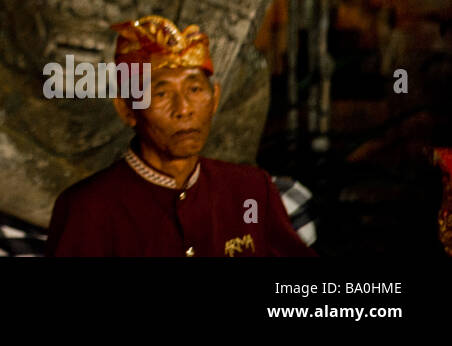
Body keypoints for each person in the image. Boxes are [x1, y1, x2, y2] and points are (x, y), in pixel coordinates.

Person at [46, 15, 315, 257]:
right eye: (161, 93)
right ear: (127, 109)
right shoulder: (88, 209)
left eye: (195, 89)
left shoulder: (250, 191)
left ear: (215, 98)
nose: (184, 109)